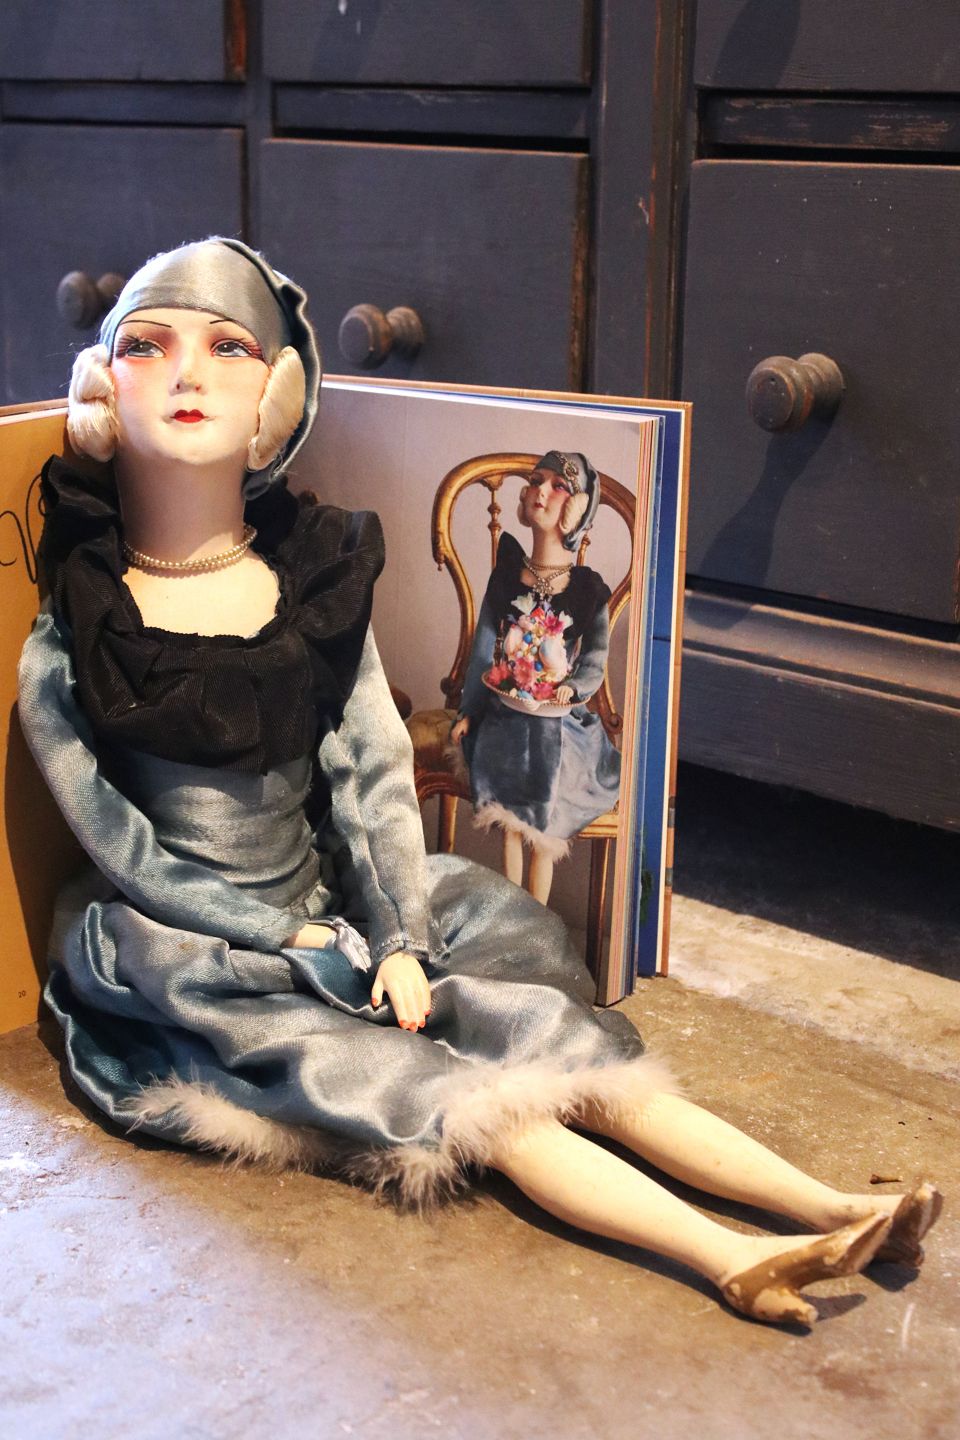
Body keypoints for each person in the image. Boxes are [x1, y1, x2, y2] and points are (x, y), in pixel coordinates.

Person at [17, 238, 941, 1329]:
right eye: (145, 345)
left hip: (339, 906)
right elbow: (123, 846)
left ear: (278, 391)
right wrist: (283, 937)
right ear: (100, 385)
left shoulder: (310, 587)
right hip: (198, 952)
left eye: (228, 347)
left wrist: (397, 935)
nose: (186, 372)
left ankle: (828, 1206)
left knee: (548, 1043)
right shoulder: (77, 635)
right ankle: (730, 1255)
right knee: (476, 1105)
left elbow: (369, 777)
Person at [450, 451, 620, 905]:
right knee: (510, 817)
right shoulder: (508, 576)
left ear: (576, 507)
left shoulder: (587, 590)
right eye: (536, 480)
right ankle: (511, 913)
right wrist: (469, 710)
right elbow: (483, 649)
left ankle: (536, 917)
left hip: (559, 725)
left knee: (545, 810)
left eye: (558, 485)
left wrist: (572, 687)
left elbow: (595, 658)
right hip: (505, 718)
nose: (540, 490)